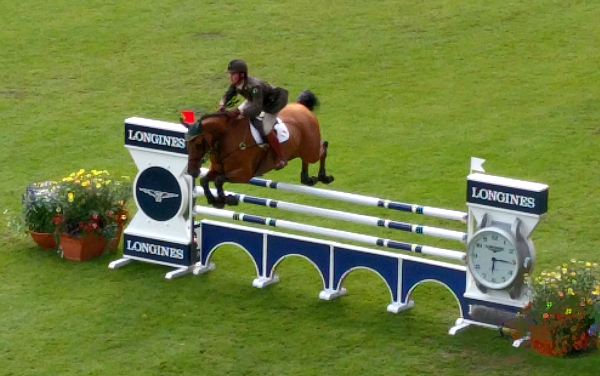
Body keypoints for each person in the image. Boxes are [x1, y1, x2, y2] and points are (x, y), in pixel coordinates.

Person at [218, 59, 289, 169]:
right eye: (230, 74)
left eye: (233, 74)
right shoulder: (236, 84)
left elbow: (256, 109)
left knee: (265, 129)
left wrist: (240, 112)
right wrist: (222, 104)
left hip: (272, 104)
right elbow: (229, 94)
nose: (230, 77)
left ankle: (280, 157)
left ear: (241, 75)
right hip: (254, 100)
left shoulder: (255, 87)